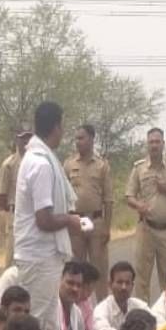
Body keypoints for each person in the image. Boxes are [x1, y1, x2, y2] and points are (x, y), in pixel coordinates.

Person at [14, 102, 84, 330]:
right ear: (57, 126)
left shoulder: (39, 158)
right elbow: (44, 220)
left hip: (45, 257)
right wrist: (70, 220)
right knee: (34, 326)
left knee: (45, 328)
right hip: (38, 257)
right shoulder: (41, 164)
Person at [126, 127, 166, 302]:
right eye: (151, 142)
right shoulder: (139, 168)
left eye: (157, 141)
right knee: (141, 279)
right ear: (147, 145)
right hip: (145, 229)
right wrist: (138, 205)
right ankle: (142, 319)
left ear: (163, 144)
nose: (154, 145)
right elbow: (129, 195)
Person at [64, 123, 115, 299]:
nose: (78, 142)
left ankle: (100, 310)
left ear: (92, 139)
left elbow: (108, 199)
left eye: (82, 138)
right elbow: (63, 195)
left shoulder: (102, 166)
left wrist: (107, 227)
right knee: (75, 270)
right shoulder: (69, 164)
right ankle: (76, 309)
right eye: (76, 138)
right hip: (75, 223)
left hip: (96, 222)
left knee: (98, 269)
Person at [92, 261, 150, 330]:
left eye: (127, 283)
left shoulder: (139, 306)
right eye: (119, 282)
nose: (124, 287)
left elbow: (155, 323)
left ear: (132, 286)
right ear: (110, 285)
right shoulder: (101, 309)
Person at [0, 127, 33, 264]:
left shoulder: (36, 162)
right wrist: (12, 210)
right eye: (23, 137)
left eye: (29, 137)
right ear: (17, 139)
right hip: (15, 214)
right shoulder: (9, 164)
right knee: (13, 255)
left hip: (32, 216)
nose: (26, 140)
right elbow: (2, 195)